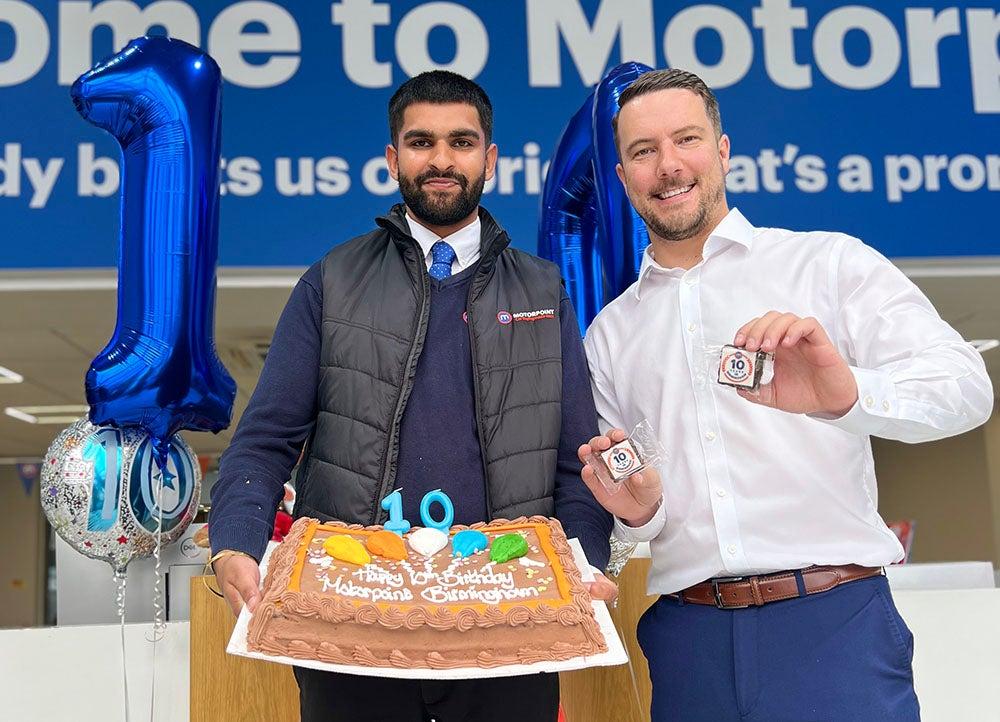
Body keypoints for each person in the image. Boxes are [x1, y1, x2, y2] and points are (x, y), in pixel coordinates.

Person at [577, 68, 993, 722]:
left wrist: (846, 395)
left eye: (686, 139)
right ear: (624, 176)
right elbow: (636, 503)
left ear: (722, 150)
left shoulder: (827, 264)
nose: (667, 165)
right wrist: (637, 513)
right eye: (642, 151)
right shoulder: (609, 335)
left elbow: (965, 387)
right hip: (689, 643)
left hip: (834, 624)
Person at [208, 70, 614, 722]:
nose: (443, 160)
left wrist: (582, 561)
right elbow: (265, 437)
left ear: (491, 158)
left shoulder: (542, 292)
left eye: (462, 141)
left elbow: (576, 460)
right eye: (422, 142)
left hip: (505, 625)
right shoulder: (332, 281)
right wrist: (233, 542)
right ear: (395, 159)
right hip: (353, 625)